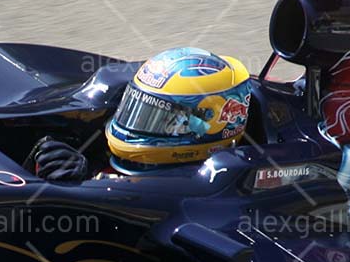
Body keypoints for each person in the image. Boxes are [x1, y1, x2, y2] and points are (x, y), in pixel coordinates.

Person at [31, 48, 253, 182]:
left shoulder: (211, 185)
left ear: (210, 122)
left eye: (164, 118)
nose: (138, 123)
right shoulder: (128, 162)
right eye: (139, 109)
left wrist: (82, 185)